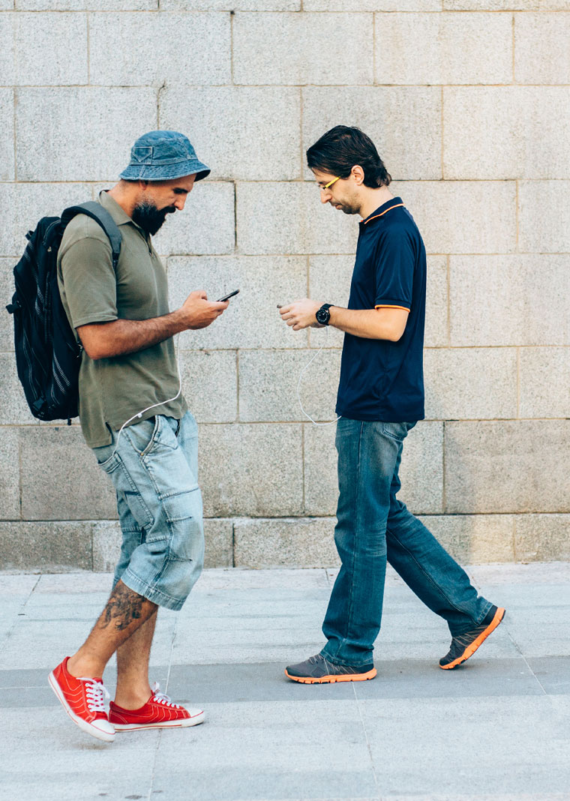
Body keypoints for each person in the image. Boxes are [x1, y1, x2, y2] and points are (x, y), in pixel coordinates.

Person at [280, 126, 504, 683]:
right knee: (381, 518)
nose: (324, 196)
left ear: (357, 172)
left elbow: (391, 322)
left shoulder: (395, 232)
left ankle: (350, 650)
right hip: (373, 395)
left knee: (359, 528)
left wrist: (323, 312)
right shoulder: (377, 227)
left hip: (376, 401)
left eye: (327, 185)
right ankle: (469, 613)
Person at [48, 131, 225, 743]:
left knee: (147, 545)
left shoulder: (137, 234)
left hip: (164, 413)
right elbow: (96, 340)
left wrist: (183, 316)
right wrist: (183, 318)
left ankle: (132, 695)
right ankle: (82, 669)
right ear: (146, 178)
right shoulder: (90, 234)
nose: (182, 204)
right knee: (180, 539)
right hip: (128, 419)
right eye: (177, 192)